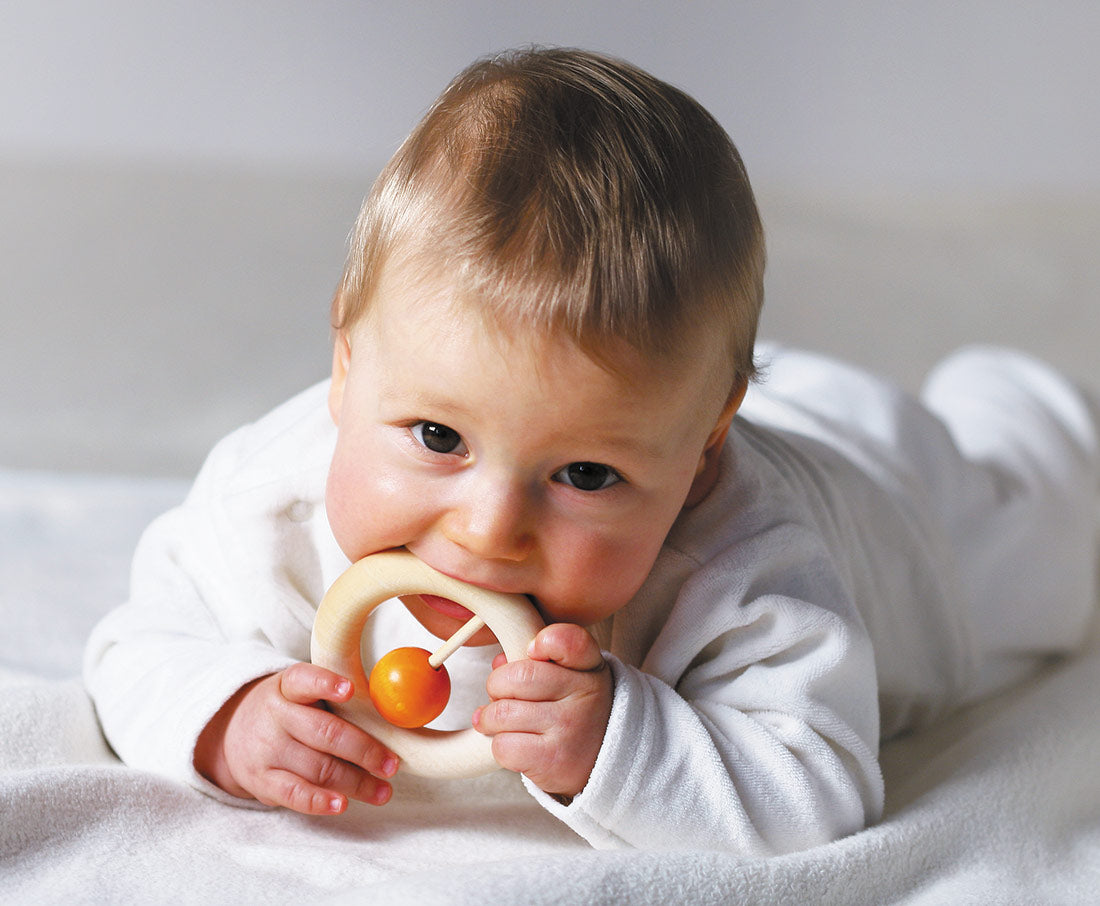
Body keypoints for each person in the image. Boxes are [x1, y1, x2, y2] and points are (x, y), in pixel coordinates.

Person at [84, 46, 1099, 855]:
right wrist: (225, 718)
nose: (487, 530)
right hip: (683, 403)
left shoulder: (749, 569)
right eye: (438, 437)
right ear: (346, 367)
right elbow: (139, 642)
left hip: (900, 503)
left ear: (701, 459)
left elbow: (815, 790)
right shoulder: (274, 498)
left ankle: (1022, 397)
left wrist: (618, 742)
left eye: (582, 476)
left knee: (1047, 520)